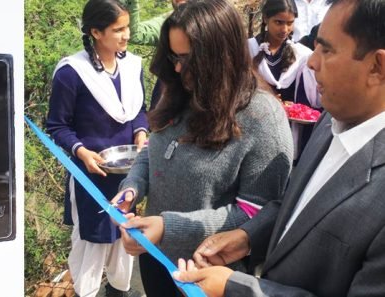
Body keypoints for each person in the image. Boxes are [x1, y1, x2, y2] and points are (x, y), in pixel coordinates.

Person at [174, 1, 385, 296]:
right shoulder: (330, 122)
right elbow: (299, 205)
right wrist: (248, 237)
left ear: (377, 66)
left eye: (326, 50)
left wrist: (235, 289)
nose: (311, 63)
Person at [110, 0, 294, 296]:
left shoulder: (262, 118)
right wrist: (132, 186)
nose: (179, 67)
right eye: (173, 57)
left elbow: (257, 212)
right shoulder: (180, 93)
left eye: (187, 58)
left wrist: (169, 227)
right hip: (156, 259)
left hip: (210, 277)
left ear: (222, 56)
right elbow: (153, 149)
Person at [46, 0, 148, 296]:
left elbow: (139, 110)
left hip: (128, 174)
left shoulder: (131, 67)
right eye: (118, 30)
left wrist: (141, 132)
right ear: (96, 32)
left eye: (127, 27)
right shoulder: (72, 72)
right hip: (90, 176)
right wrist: (80, 151)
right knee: (90, 244)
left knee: (124, 240)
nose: (126, 35)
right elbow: (58, 126)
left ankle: (120, 291)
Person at [249, 0, 321, 161]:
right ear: (266, 19)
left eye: (290, 23)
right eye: (279, 22)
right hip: (253, 124)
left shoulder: (302, 54)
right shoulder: (248, 49)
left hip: (287, 130)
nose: (285, 29)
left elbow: (311, 96)